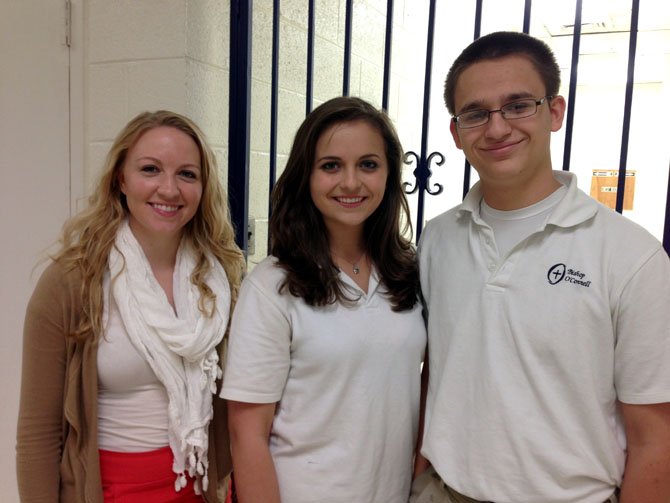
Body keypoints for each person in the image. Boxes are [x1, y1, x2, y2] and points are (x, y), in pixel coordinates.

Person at [412, 31, 670, 503]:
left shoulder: (632, 256)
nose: (496, 128)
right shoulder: (437, 239)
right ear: (455, 132)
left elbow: (655, 435)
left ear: (554, 111)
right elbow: (436, 372)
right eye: (475, 113)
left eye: (517, 105)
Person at [16, 110, 245, 502]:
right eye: (150, 169)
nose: (169, 189)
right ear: (121, 178)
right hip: (107, 491)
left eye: (187, 174)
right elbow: (38, 434)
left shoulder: (222, 279)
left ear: (204, 187)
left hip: (201, 491)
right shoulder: (73, 280)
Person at [220, 96, 426, 502]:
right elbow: (246, 436)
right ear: (306, 176)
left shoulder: (408, 273)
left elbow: (423, 385)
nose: (351, 182)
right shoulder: (273, 286)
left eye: (368, 164)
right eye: (331, 165)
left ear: (388, 175)